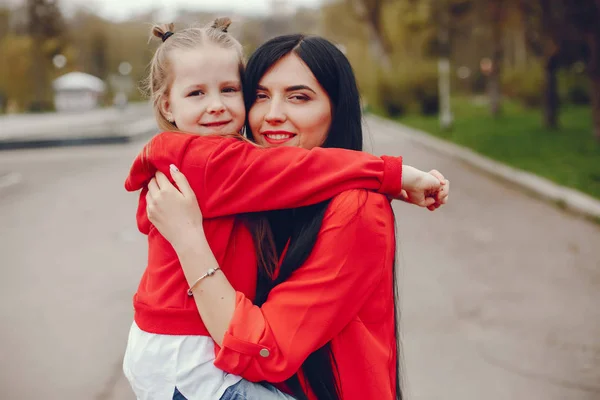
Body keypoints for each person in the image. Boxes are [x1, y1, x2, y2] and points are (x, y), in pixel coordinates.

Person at [142, 32, 449, 400]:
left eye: (298, 97)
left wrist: (188, 238)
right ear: (167, 106)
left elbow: (264, 350)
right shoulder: (253, 197)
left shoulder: (357, 209)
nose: (273, 115)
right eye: (259, 96)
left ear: (337, 107)